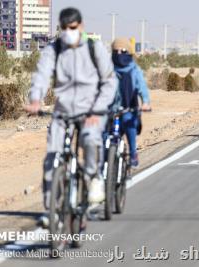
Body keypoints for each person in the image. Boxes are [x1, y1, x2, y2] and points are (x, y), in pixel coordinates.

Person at [25, 8, 117, 217]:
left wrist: (98, 109)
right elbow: (42, 74)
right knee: (52, 158)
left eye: (72, 28)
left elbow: (110, 82)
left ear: (81, 26)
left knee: (90, 139)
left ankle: (94, 177)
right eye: (64, 28)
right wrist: (35, 99)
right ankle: (52, 211)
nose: (68, 32)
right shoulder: (54, 49)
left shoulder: (95, 48)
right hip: (63, 110)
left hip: (91, 110)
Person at [111, 38, 151, 167]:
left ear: (128, 52)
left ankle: (133, 153)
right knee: (104, 137)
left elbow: (142, 87)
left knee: (130, 129)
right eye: (115, 51)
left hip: (129, 108)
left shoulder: (134, 69)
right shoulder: (108, 68)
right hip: (110, 109)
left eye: (122, 51)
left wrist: (145, 102)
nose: (119, 54)